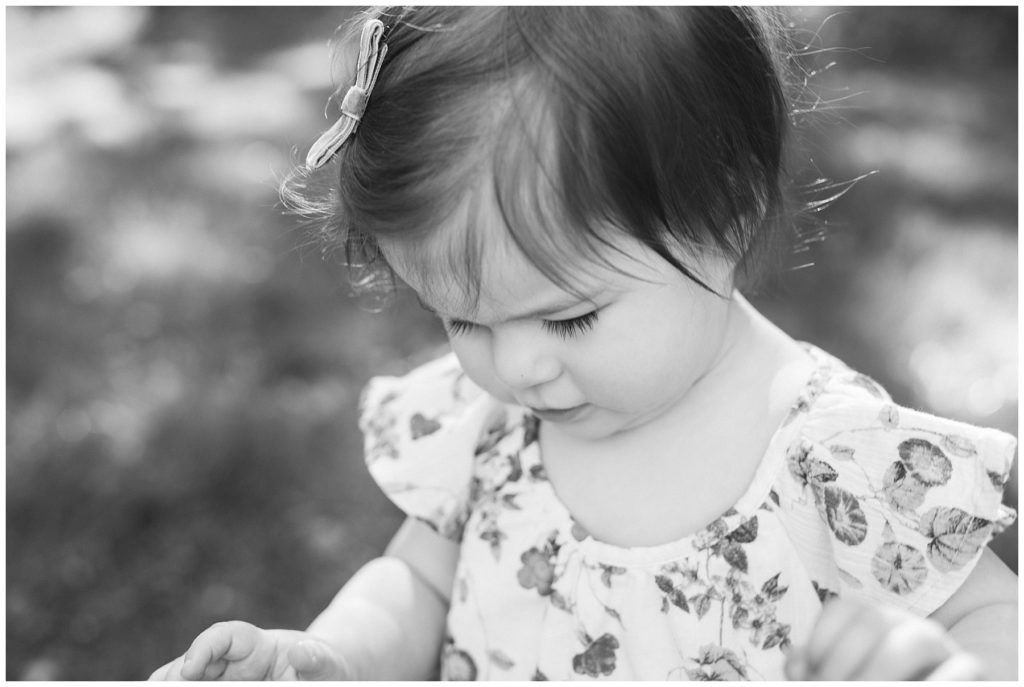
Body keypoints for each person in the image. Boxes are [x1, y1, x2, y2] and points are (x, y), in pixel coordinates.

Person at [150, 7, 1017, 681]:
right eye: (464, 321)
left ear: (725, 216)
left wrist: (946, 670)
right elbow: (416, 581)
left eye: (568, 318)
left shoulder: (842, 464)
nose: (517, 365)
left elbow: (993, 622)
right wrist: (333, 656)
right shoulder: (485, 425)